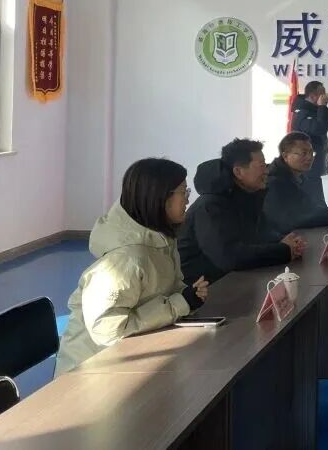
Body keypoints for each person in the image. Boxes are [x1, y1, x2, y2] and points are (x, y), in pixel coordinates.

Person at [55, 158, 208, 376]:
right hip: (90, 372)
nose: (187, 199)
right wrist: (178, 305)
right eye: (184, 192)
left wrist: (187, 296)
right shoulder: (126, 259)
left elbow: (165, 289)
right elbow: (106, 329)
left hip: (124, 360)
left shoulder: (162, 239)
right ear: (160, 198)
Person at [178, 138, 306, 285]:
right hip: (205, 290)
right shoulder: (210, 206)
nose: (267, 171)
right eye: (262, 166)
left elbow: (261, 233)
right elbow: (229, 257)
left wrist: (286, 241)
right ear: (238, 172)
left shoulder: (248, 196)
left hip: (234, 281)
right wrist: (284, 250)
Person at [264, 132, 328, 235]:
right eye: (303, 153)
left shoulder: (300, 177)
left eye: (311, 153)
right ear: (285, 156)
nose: (309, 157)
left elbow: (309, 207)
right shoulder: (274, 182)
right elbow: (290, 220)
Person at [291, 81, 328, 205]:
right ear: (312, 96)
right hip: (306, 170)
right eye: (322, 94)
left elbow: (317, 141)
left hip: (313, 168)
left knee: (318, 204)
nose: (325, 97)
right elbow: (320, 129)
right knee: (316, 205)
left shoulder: (312, 111)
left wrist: (326, 163)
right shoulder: (302, 113)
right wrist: (322, 107)